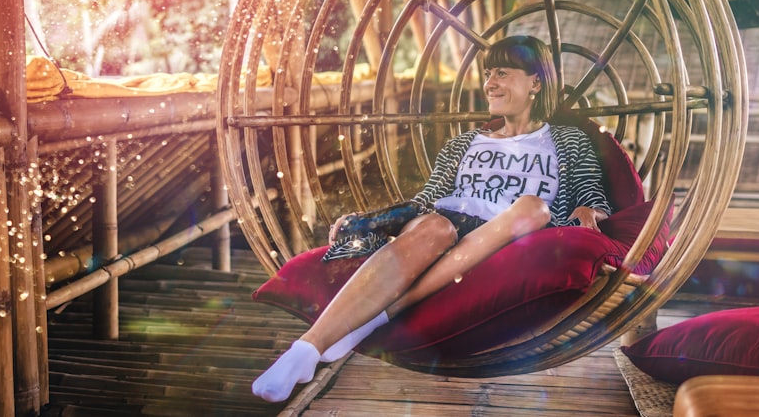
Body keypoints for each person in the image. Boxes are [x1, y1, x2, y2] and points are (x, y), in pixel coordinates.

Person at [252, 35, 611, 402]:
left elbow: (593, 198)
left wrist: (586, 211)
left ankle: (370, 320)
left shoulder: (567, 141)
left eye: (502, 73)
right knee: (436, 225)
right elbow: (426, 200)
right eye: (488, 73)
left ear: (536, 81)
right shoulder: (463, 144)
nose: (490, 83)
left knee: (532, 205)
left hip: (510, 231)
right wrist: (377, 219)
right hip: (446, 225)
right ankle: (305, 350)